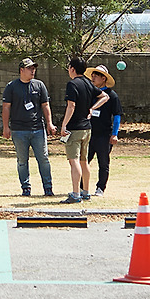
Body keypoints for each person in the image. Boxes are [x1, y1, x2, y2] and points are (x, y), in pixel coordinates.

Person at [1, 58, 56, 196]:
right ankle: (25, 188)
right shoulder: (11, 86)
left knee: (43, 159)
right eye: (30, 68)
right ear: (21, 70)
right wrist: (6, 127)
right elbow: (6, 107)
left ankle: (48, 188)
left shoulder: (39, 85)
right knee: (22, 161)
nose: (33, 71)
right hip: (19, 130)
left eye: (34, 68)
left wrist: (49, 123)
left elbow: (45, 105)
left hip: (38, 129)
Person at [59, 57, 96, 203]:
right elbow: (104, 96)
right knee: (84, 161)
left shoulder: (72, 84)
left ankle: (75, 193)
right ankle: (86, 191)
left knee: (73, 161)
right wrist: (92, 108)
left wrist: (64, 125)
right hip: (87, 128)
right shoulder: (88, 83)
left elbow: (71, 106)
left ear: (72, 69)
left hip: (74, 128)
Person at [86, 64, 121, 198]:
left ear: (104, 78)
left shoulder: (112, 96)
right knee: (84, 161)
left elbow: (117, 116)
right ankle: (82, 187)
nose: (93, 78)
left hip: (104, 135)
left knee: (103, 163)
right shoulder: (90, 93)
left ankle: (100, 188)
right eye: (92, 75)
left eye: (96, 76)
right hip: (89, 133)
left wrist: (115, 134)